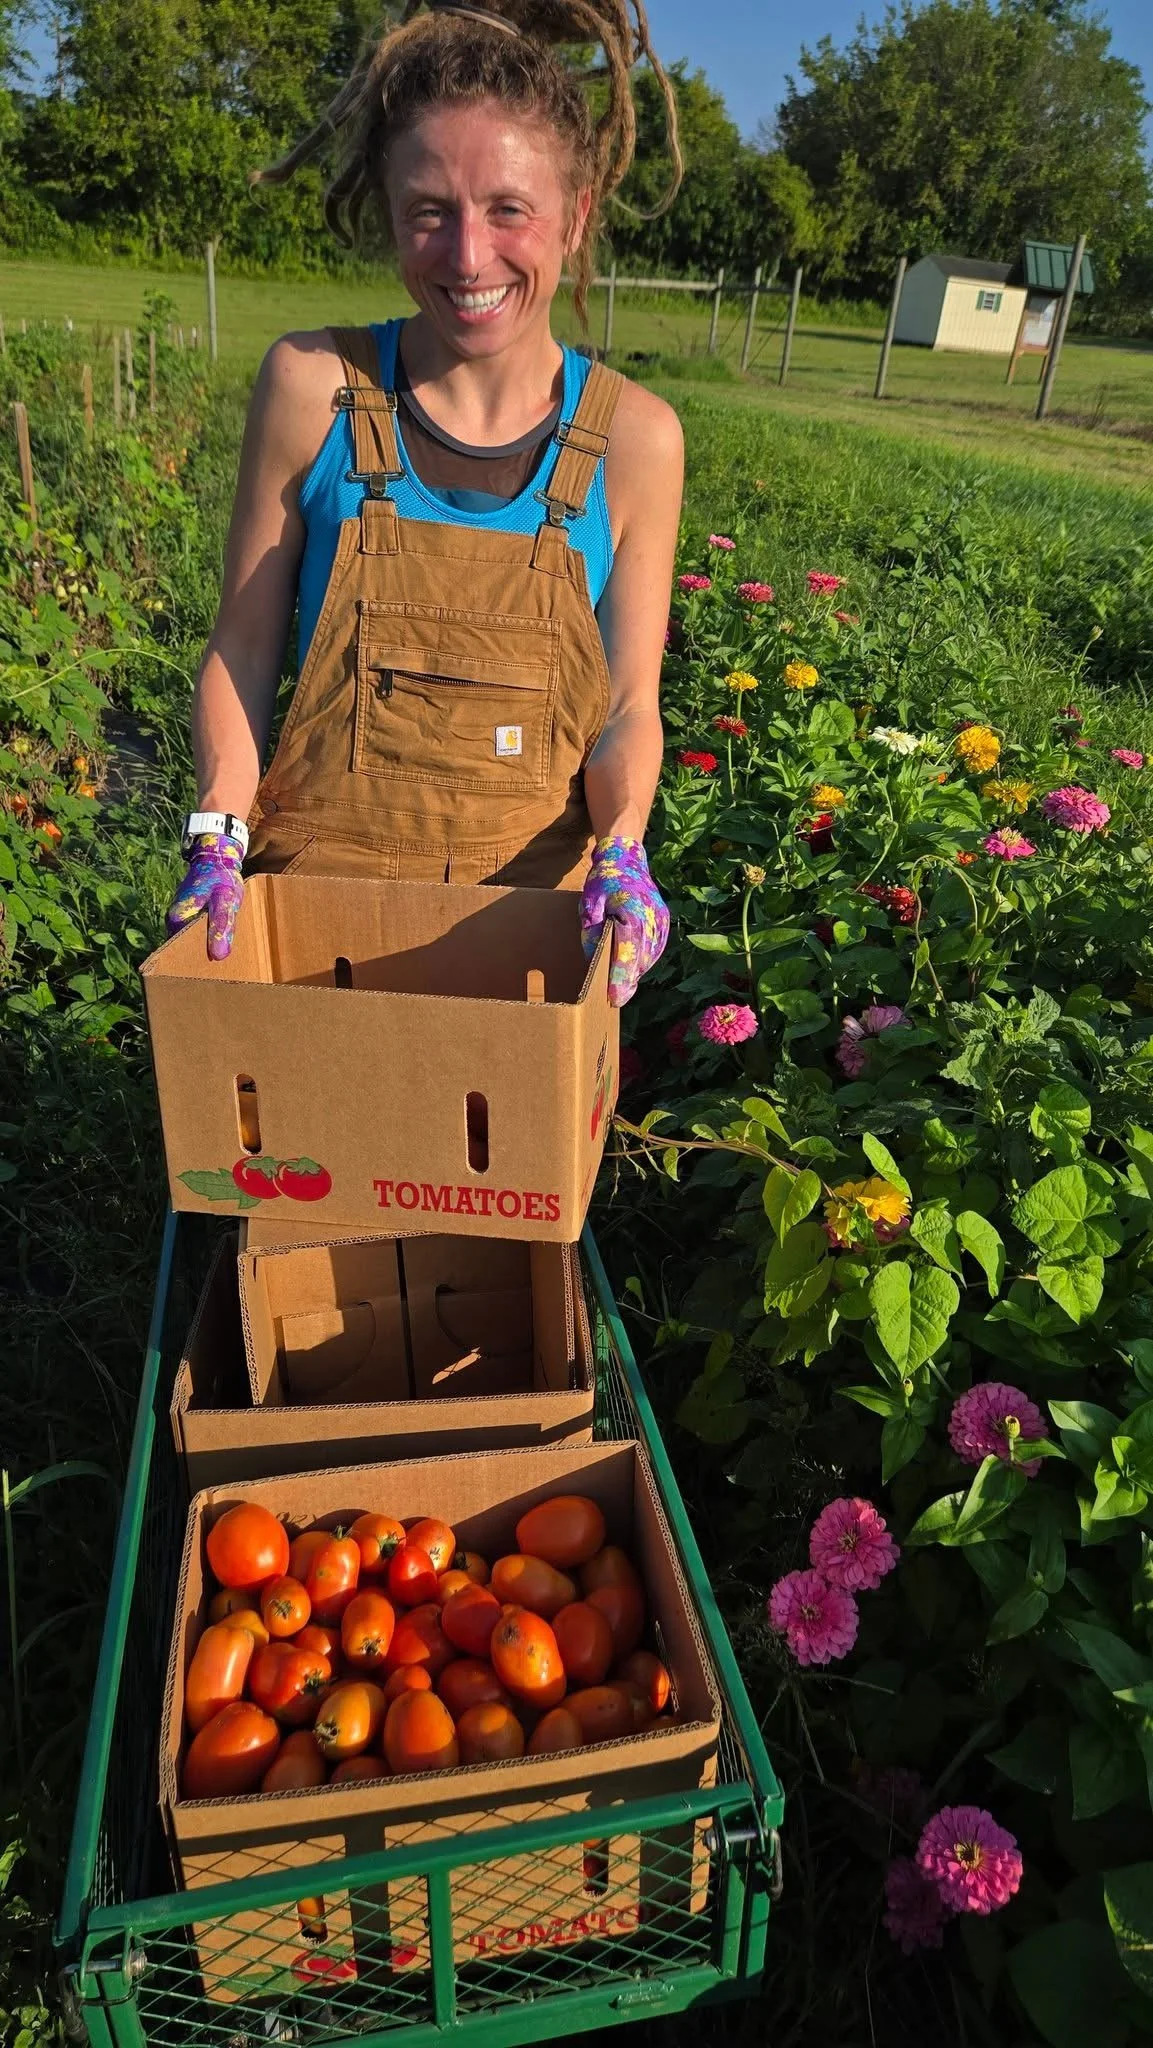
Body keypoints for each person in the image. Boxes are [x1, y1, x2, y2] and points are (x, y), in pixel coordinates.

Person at [166, 0, 683, 1006]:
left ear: (574, 216)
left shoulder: (634, 440)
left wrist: (622, 847)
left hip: (529, 943)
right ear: (392, 216)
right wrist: (219, 826)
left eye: (507, 209)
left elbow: (628, 705)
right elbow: (241, 644)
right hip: (314, 935)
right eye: (430, 212)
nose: (467, 258)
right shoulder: (312, 386)